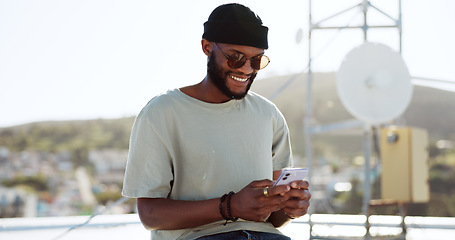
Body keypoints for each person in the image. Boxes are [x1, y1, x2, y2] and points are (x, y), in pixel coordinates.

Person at [122, 3, 311, 240]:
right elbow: (150, 215)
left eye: (256, 61)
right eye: (235, 58)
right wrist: (230, 206)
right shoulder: (162, 112)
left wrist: (290, 209)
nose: (245, 69)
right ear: (207, 47)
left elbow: (273, 218)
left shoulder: (269, 115)